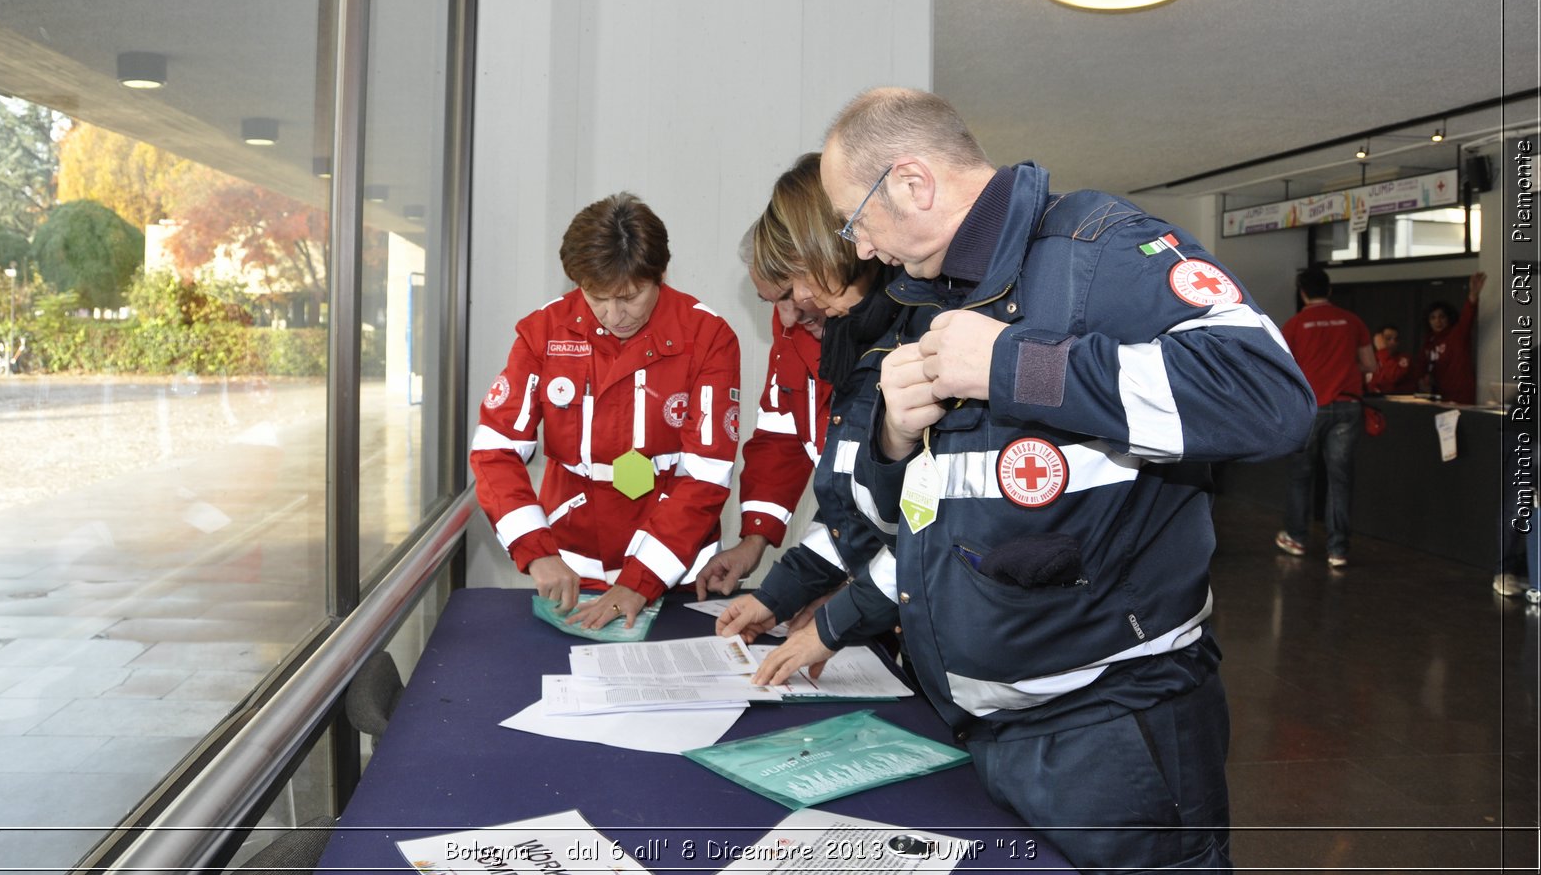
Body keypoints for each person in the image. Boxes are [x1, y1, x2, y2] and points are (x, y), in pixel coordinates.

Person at [754, 87, 1315, 872]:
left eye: (857, 220)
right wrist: (891, 436)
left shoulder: (1103, 249)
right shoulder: (922, 300)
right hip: (983, 726)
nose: (863, 248)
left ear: (911, 183)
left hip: (1111, 732)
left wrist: (1013, 364)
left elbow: (1271, 398)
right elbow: (917, 517)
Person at [469, 193, 741, 630]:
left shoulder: (707, 336)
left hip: (675, 569)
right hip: (572, 568)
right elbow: (495, 450)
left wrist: (641, 579)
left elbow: (706, 474)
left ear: (661, 275)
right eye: (597, 297)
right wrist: (537, 551)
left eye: (630, 297)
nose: (615, 316)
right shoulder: (542, 332)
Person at [696, 154, 891, 640]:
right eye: (773, 302)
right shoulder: (798, 326)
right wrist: (754, 539)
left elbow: (889, 496)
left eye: (790, 293)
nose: (786, 316)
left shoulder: (882, 332)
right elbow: (780, 437)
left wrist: (848, 598)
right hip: (854, 552)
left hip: (891, 571)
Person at [1277, 267, 1376, 568]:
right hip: (1347, 406)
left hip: (1309, 409)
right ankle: (1338, 551)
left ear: (1302, 292)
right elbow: (1370, 363)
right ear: (1330, 291)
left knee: (1300, 476)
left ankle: (1296, 537)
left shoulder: (1294, 326)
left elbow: (1283, 369)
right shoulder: (1353, 321)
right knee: (1340, 478)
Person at [1411, 272, 1487, 404]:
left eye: (1442, 317)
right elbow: (1420, 369)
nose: (1437, 321)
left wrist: (1473, 294)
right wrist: (1423, 380)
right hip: (1439, 398)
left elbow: (1467, 315)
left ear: (1448, 318)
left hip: (1462, 397)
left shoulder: (1457, 333)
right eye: (1433, 318)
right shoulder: (1428, 343)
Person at [1366, 323, 1412, 393]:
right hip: (1371, 401)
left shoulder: (1404, 359)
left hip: (1396, 401)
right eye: (1388, 338)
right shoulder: (1369, 358)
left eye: (1396, 339)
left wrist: (1383, 351)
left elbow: (1392, 377)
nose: (1393, 342)